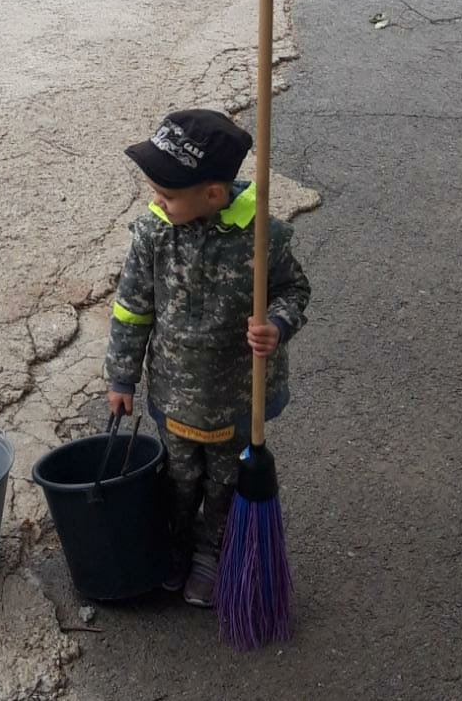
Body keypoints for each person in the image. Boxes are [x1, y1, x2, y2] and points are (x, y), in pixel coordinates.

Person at [104, 108, 311, 607]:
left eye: (168, 194)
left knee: (224, 480)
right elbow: (132, 309)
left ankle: (212, 550)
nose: (157, 200)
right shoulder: (153, 235)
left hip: (236, 393)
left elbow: (293, 290)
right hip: (175, 391)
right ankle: (175, 543)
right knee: (178, 475)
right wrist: (122, 378)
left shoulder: (264, 237)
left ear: (213, 195)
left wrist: (276, 325)